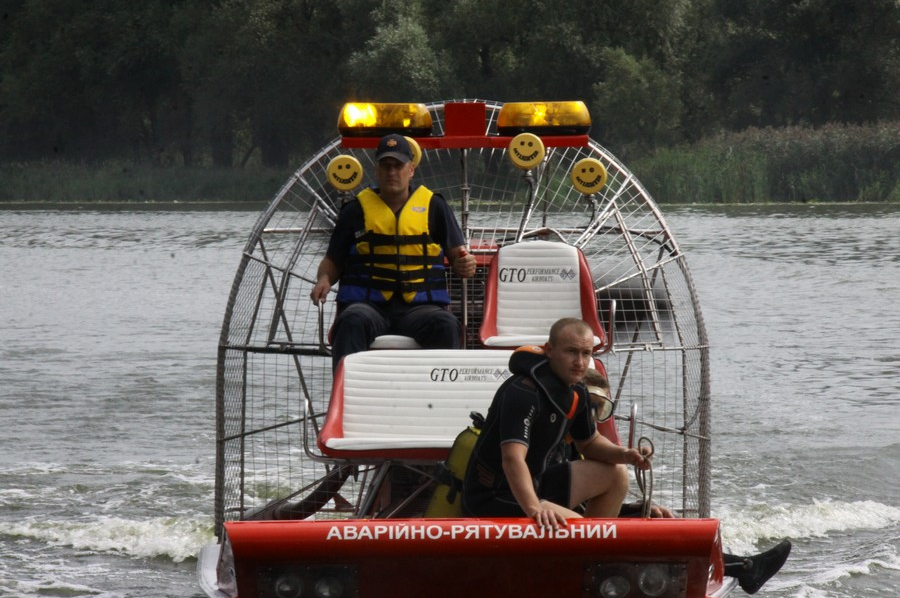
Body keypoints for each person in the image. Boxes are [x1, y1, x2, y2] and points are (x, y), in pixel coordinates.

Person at [461, 317, 651, 529]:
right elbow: (512, 459)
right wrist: (535, 509)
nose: (580, 362)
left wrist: (626, 455)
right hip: (495, 495)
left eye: (586, 353)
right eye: (571, 352)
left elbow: (589, 444)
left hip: (537, 482)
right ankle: (585, 551)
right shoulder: (523, 392)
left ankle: (592, 557)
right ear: (549, 350)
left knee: (616, 474)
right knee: (579, 528)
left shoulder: (577, 391)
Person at [310, 134, 476, 371]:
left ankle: (441, 399)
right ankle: (346, 398)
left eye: (398, 166)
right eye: (386, 166)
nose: (391, 172)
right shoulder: (355, 210)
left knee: (446, 324)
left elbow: (459, 254)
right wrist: (323, 280)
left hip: (421, 309)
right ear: (376, 170)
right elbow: (332, 260)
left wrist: (466, 263)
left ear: (411, 170)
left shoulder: (435, 206)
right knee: (351, 320)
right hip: (368, 306)